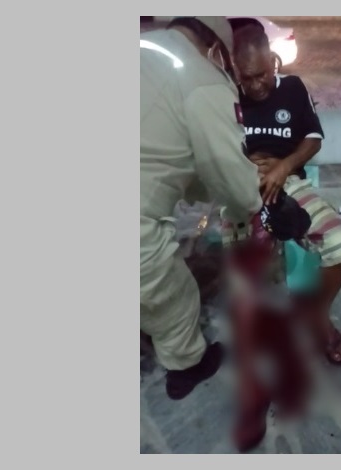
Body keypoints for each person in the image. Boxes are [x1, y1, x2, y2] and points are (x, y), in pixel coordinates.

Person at [140, 17, 262, 400]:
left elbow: (161, 140)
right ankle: (187, 366)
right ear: (216, 50)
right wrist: (253, 205)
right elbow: (234, 181)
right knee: (171, 295)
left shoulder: (144, 47)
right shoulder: (202, 76)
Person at [231, 25, 341, 365]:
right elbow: (214, 148)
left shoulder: (293, 88)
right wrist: (246, 165)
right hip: (241, 186)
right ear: (235, 70)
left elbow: (314, 138)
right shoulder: (226, 95)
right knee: (246, 260)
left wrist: (283, 166)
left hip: (290, 184)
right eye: (247, 78)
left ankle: (317, 314)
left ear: (273, 61)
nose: (255, 86)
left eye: (261, 75)